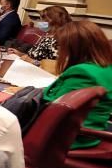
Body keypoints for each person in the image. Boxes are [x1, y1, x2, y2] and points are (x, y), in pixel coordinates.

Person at [42, 21, 112, 149]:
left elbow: (54, 109)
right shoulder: (107, 69)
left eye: (61, 47)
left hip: (67, 138)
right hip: (90, 134)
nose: (58, 52)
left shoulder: (82, 72)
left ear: (75, 48)